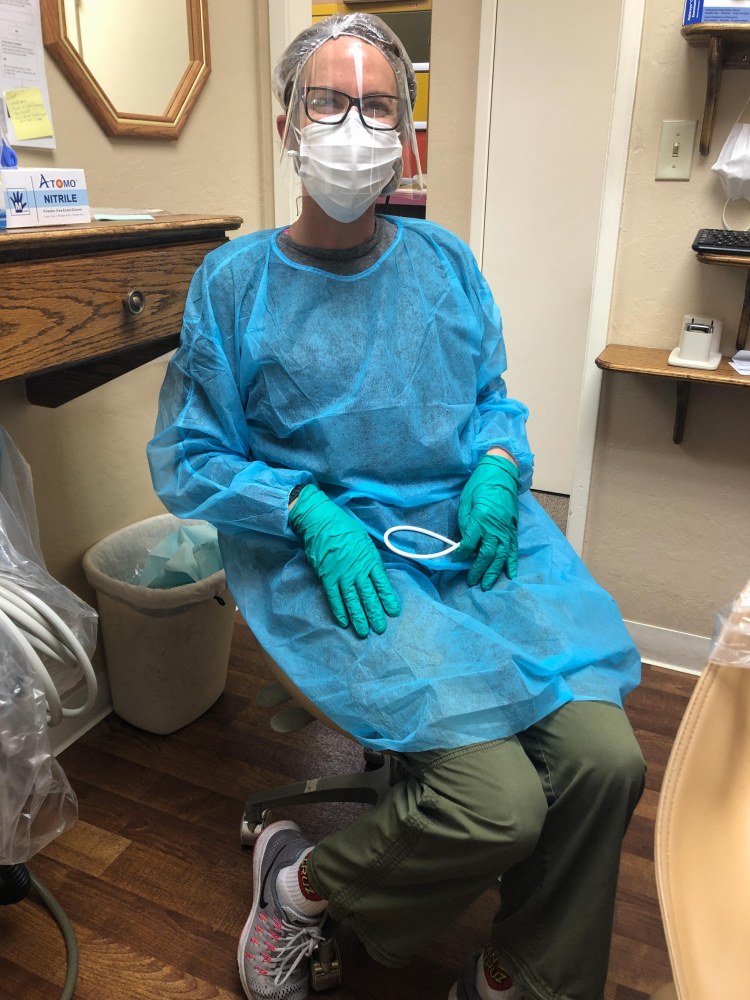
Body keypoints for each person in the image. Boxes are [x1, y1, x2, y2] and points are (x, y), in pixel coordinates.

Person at [147, 14, 645, 1000]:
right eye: (328, 102)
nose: (353, 126)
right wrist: (305, 509)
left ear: (407, 137)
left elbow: (491, 398)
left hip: (470, 540)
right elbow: (192, 454)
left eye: (378, 106)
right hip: (335, 558)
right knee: (496, 805)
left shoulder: (445, 263)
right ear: (288, 125)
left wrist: (497, 464)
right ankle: (298, 889)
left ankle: (515, 972)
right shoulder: (234, 284)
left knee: (607, 762)